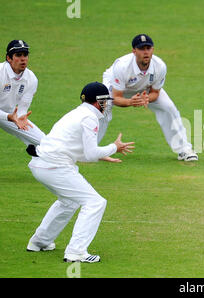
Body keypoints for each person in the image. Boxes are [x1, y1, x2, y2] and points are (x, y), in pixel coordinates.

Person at [26, 82, 135, 262]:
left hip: (41, 164)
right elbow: (91, 154)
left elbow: (77, 150)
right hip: (54, 166)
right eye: (105, 101)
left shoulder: (78, 113)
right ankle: (75, 252)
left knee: (69, 201)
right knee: (95, 203)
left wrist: (103, 155)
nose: (107, 105)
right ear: (97, 102)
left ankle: (39, 242)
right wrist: (113, 147)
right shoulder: (89, 118)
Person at [101, 34, 197, 161]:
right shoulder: (122, 66)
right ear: (134, 51)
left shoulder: (160, 66)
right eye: (141, 49)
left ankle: (184, 149)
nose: (146, 52)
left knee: (168, 107)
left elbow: (155, 92)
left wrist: (146, 99)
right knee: (103, 106)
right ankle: (89, 150)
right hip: (118, 86)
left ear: (153, 49)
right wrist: (130, 102)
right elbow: (116, 97)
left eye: (148, 48)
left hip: (144, 88)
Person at [0, 40, 45, 146]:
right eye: (18, 55)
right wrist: (7, 117)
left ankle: (36, 159)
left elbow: (22, 109)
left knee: (45, 143)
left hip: (10, 115)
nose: (23, 59)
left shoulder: (31, 79)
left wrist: (20, 117)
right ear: (9, 58)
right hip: (8, 116)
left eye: (25, 55)